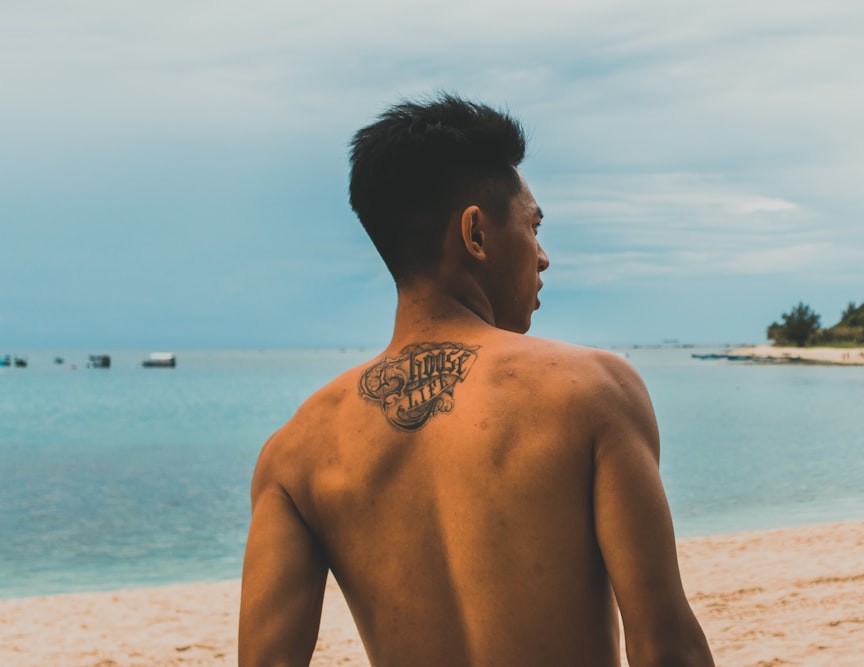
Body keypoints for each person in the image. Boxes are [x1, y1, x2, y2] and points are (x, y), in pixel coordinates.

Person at [239, 94, 714, 667]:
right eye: (533, 227)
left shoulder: (294, 453)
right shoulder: (591, 391)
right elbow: (666, 646)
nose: (542, 257)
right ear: (476, 235)